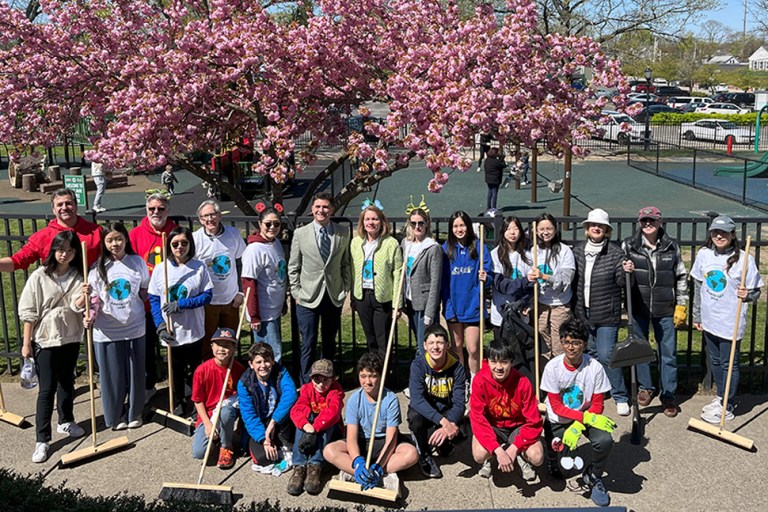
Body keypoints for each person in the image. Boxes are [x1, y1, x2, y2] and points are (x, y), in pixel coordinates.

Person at [19, 231, 88, 463]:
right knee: (47, 389)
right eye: (60, 250)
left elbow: (76, 306)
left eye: (69, 250)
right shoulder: (39, 276)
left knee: (67, 382)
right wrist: (26, 343)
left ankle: (66, 421)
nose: (64, 254)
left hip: (69, 336)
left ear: (75, 252)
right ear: (53, 251)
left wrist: (84, 298)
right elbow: (29, 311)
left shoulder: (80, 276)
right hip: (46, 338)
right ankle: (42, 439)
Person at [691, 215, 763, 424]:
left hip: (730, 320)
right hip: (710, 318)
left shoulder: (744, 258)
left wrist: (747, 295)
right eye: (715, 232)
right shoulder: (704, 255)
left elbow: (756, 290)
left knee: (729, 364)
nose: (719, 236)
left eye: (724, 233)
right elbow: (698, 285)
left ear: (733, 235)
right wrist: (697, 315)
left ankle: (727, 404)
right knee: (715, 361)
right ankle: (720, 397)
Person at [540, 316, 616, 507]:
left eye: (576, 342)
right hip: (559, 418)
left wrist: (578, 425)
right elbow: (556, 406)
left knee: (605, 440)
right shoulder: (552, 367)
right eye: (566, 342)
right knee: (558, 470)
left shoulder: (595, 367)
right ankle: (553, 456)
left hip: (587, 417)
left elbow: (598, 405)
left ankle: (594, 476)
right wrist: (582, 418)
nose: (570, 347)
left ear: (585, 343)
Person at [622, 206, 688, 418]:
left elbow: (681, 276)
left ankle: (668, 395)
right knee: (641, 350)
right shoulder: (629, 245)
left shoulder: (671, 246)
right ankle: (646, 387)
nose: (647, 224)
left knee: (667, 353)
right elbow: (620, 275)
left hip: (665, 308)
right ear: (639, 223)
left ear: (660, 222)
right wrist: (625, 270)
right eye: (644, 221)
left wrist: (681, 304)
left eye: (651, 220)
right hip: (639, 307)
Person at [85, 222, 149, 430]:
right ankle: (114, 416)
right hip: (106, 331)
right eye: (110, 240)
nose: (115, 244)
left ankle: (134, 412)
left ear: (126, 240)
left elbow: (144, 291)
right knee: (111, 375)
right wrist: (90, 314)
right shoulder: (97, 268)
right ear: (104, 242)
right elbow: (94, 300)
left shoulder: (137, 262)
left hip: (135, 326)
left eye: (119, 239)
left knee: (136, 372)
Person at [323, 352, 418, 491]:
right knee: (329, 451)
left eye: (373, 376)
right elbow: (351, 438)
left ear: (381, 377)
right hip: (361, 442)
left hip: (383, 442)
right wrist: (357, 461)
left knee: (411, 453)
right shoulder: (355, 400)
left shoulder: (390, 399)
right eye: (363, 376)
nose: (367, 381)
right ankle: (359, 472)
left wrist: (379, 465)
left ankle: (376, 472)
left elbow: (391, 439)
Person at [148, 226, 213, 416]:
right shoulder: (161, 269)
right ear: (169, 246)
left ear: (190, 245)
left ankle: (196, 403)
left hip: (192, 330)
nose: (179, 247)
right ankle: (178, 401)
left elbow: (207, 296)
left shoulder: (199, 267)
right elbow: (153, 299)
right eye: (175, 244)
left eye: (184, 243)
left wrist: (182, 304)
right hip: (171, 331)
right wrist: (159, 325)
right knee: (175, 371)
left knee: (195, 370)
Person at [288, 192, 351, 383]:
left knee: (329, 341)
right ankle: (306, 382)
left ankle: (327, 378)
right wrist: (297, 292)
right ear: (312, 209)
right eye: (317, 207)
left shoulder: (342, 232)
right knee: (308, 342)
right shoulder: (301, 233)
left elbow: (345, 263)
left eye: (325, 207)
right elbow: (293, 266)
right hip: (308, 297)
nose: (321, 210)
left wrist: (345, 287)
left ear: (332, 210)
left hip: (332, 295)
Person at [571, 209, 629, 416]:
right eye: (593, 225)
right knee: (591, 354)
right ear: (587, 229)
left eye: (601, 226)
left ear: (606, 230)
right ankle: (598, 391)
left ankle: (620, 395)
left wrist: (627, 270)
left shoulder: (615, 253)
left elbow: (621, 280)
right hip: (582, 312)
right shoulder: (577, 251)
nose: (596, 228)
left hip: (606, 312)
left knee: (606, 355)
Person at [469, 339, 544, 481]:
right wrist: (497, 450)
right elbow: (477, 418)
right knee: (479, 454)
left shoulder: (523, 382)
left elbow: (535, 421)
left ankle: (521, 456)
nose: (499, 367)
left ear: (511, 362)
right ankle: (492, 458)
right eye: (494, 361)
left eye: (504, 362)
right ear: (488, 361)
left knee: (537, 456)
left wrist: (515, 447)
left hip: (518, 426)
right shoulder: (480, 380)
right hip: (493, 426)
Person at [129, 193, 178, 401]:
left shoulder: (176, 232)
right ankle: (148, 386)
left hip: (172, 301)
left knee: (175, 346)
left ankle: (177, 386)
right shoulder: (136, 234)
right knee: (147, 347)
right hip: (145, 301)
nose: (156, 212)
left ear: (167, 210)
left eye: (161, 209)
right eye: (152, 209)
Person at [407, 324, 467, 479]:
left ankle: (442, 443)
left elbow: (460, 403)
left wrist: (449, 423)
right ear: (425, 346)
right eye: (431, 343)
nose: (436, 347)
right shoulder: (418, 365)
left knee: (463, 430)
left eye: (440, 343)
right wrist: (443, 423)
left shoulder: (457, 367)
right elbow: (417, 400)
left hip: (446, 410)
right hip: (425, 411)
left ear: (447, 345)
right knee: (415, 419)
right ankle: (424, 453)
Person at [441, 210, 492, 385]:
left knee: (473, 347)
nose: (459, 229)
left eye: (462, 225)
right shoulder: (445, 249)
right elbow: (443, 282)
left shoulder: (479, 247)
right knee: (456, 347)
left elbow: (489, 273)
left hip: (473, 305)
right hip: (453, 305)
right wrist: (448, 307)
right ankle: (460, 383)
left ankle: (476, 381)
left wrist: (487, 277)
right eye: (455, 226)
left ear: (468, 226)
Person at [0, 188, 102, 272]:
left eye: (68, 203)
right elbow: (19, 261)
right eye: (59, 205)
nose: (64, 207)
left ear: (76, 206)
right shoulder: (42, 237)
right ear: (53, 210)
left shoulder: (96, 231)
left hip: (89, 291)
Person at [193, 200, 246, 360]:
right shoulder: (195, 239)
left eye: (213, 214)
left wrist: (240, 292)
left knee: (230, 341)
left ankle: (229, 375)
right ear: (200, 220)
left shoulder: (233, 234)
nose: (210, 219)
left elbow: (241, 263)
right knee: (209, 343)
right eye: (205, 216)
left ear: (219, 215)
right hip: (208, 301)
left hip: (230, 299)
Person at [350, 204, 403, 358]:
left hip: (382, 297)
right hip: (362, 297)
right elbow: (353, 270)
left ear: (381, 222)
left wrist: (397, 305)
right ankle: (374, 374)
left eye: (375, 219)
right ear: (362, 222)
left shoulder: (390, 243)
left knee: (383, 339)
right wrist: (353, 297)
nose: (371, 222)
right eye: (367, 219)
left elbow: (398, 273)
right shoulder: (356, 243)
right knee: (370, 338)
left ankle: (386, 375)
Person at [287, 359, 345, 496]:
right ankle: (299, 465)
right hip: (311, 427)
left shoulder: (336, 391)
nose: (320, 384)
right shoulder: (307, 389)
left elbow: (333, 412)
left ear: (332, 379)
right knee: (301, 421)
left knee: (327, 424)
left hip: (330, 428)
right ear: (311, 379)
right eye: (317, 380)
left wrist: (315, 428)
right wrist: (306, 425)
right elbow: (297, 409)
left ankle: (315, 465)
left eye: (326, 380)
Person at [191, 327, 245, 470]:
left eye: (227, 345)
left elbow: (244, 399)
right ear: (212, 346)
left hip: (229, 410)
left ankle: (226, 447)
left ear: (234, 348)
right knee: (199, 453)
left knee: (225, 412)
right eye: (219, 345)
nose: (222, 349)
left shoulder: (239, 370)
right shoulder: (202, 370)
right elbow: (197, 400)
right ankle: (218, 433)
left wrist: (241, 424)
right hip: (208, 414)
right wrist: (208, 425)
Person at [238, 342, 298, 466]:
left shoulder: (281, 372)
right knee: (263, 458)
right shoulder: (244, 383)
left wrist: (274, 421)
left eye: (266, 361)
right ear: (251, 364)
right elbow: (249, 415)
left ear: (273, 361)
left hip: (279, 419)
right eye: (258, 362)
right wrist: (264, 439)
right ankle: (272, 443)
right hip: (259, 422)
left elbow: (291, 394)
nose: (263, 366)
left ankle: (285, 444)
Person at [242, 207, 287, 361]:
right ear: (260, 224)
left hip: (275, 308)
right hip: (263, 313)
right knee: (270, 355)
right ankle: (272, 383)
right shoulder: (254, 250)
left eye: (277, 224)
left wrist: (283, 303)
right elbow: (249, 283)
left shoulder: (276, 243)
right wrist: (254, 316)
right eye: (268, 224)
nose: (272, 228)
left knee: (274, 351)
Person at [528, 213, 575, 358]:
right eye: (541, 229)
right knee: (542, 343)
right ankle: (545, 374)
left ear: (555, 229)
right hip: (540, 304)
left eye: (549, 228)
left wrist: (544, 277)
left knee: (559, 343)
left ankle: (561, 376)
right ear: (535, 231)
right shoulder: (533, 251)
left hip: (560, 304)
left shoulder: (564, 251)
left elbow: (566, 280)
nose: (545, 232)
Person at [401, 206, 442, 360]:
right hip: (410, 301)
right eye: (413, 224)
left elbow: (435, 283)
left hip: (424, 304)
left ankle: (424, 378)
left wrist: (430, 313)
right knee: (419, 344)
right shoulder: (406, 244)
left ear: (427, 224)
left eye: (421, 223)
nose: (417, 227)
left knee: (424, 345)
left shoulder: (432, 247)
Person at [491, 216, 534, 339]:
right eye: (508, 228)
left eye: (515, 228)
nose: (512, 232)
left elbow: (532, 286)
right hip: (500, 314)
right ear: (503, 232)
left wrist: (524, 303)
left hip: (521, 313)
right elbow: (502, 286)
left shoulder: (528, 255)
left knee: (520, 355)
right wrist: (525, 281)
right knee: (502, 355)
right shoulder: (495, 254)